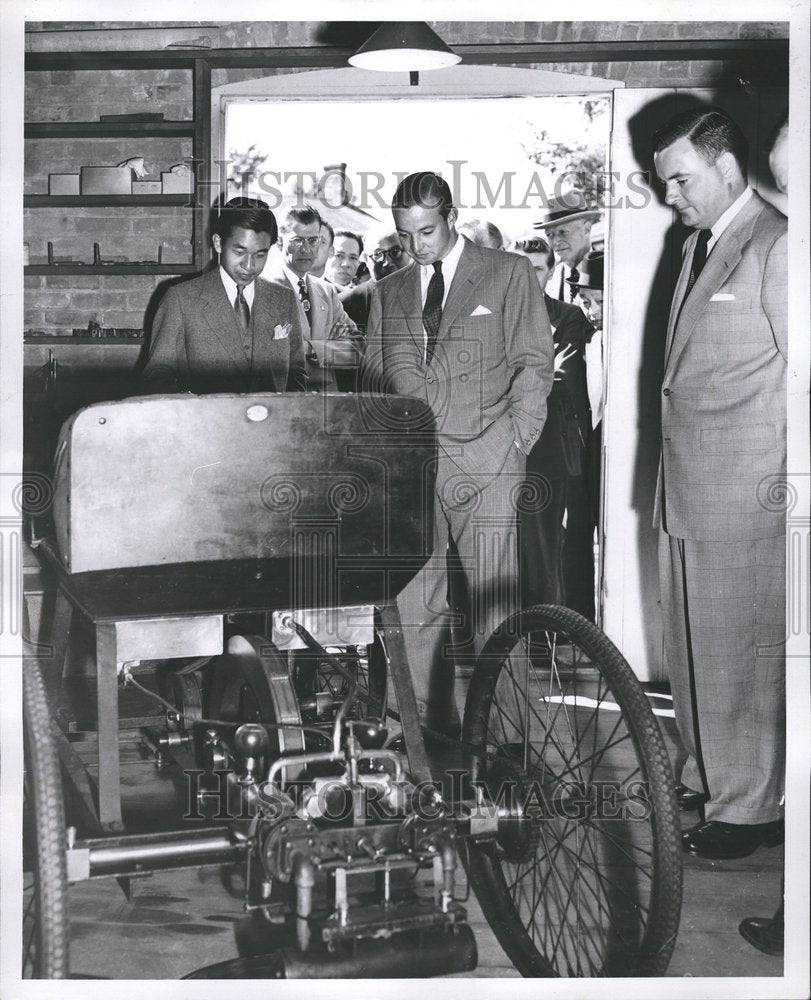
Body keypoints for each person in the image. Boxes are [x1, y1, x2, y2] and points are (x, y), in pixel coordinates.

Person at [363, 171, 554, 732]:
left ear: (450, 216)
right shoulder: (389, 290)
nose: (415, 246)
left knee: (497, 606)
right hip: (416, 468)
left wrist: (518, 437)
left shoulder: (507, 273)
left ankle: (515, 736)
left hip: (489, 460)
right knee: (415, 604)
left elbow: (534, 362)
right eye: (404, 235)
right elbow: (377, 374)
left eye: (425, 231)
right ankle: (413, 730)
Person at [652, 106, 787, 859]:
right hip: (685, 488)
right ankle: (710, 777)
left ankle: (749, 809)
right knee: (694, 650)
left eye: (680, 179)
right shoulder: (700, 244)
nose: (669, 195)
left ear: (727, 167)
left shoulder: (776, 244)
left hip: (747, 493)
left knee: (741, 656)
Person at [142, 197, 306, 393]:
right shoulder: (180, 299)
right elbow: (158, 376)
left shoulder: (284, 299)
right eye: (239, 251)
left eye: (260, 254)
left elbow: (296, 375)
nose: (249, 265)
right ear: (218, 243)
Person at [512, 237, 593, 612]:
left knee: (543, 538)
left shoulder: (568, 317)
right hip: (501, 445)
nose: (530, 277)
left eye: (538, 269)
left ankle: (545, 631)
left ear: (550, 271)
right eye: (522, 268)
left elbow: (564, 379)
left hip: (548, 449)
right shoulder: (495, 316)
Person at [264, 205, 358, 390]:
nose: (306, 249)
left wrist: (311, 349)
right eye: (297, 240)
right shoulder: (262, 288)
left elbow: (358, 349)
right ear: (280, 243)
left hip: (326, 406)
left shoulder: (327, 291)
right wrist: (331, 349)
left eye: (313, 240)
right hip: (282, 403)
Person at [338, 221, 411, 333]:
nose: (387, 262)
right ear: (365, 259)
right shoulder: (343, 305)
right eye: (378, 254)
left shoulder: (428, 296)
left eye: (395, 252)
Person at [533, 190, 601, 302]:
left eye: (563, 232)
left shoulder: (608, 272)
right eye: (550, 235)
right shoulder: (548, 281)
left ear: (586, 229)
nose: (556, 241)